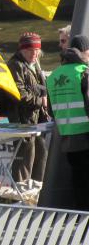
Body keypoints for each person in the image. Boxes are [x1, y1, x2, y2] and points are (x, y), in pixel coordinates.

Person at [47, 35, 89, 211]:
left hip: (66, 137)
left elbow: (50, 111)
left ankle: (81, 216)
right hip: (86, 135)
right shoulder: (83, 72)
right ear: (85, 52)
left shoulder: (54, 75)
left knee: (78, 178)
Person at [3, 32, 50, 183]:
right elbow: (19, 94)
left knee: (41, 154)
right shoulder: (15, 65)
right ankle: (21, 192)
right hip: (22, 119)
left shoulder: (34, 65)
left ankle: (37, 190)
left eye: (37, 51)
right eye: (30, 50)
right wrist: (40, 101)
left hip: (37, 119)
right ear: (22, 50)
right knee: (25, 158)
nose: (34, 54)